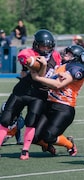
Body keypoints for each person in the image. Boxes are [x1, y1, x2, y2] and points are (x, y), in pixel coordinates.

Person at [0, 29, 61, 160]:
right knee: (5, 119)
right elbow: (24, 58)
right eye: (42, 45)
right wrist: (35, 63)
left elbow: (44, 76)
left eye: (47, 45)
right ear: (36, 44)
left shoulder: (56, 56)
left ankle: (25, 150)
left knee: (31, 121)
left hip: (39, 94)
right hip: (22, 91)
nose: (45, 48)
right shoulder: (28, 53)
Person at [31, 45, 84, 157]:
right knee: (34, 136)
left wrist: (38, 78)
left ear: (76, 57)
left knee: (49, 136)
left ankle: (69, 144)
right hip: (49, 104)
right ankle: (48, 146)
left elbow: (58, 85)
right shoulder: (61, 66)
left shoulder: (77, 68)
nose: (65, 55)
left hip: (64, 108)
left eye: (69, 54)